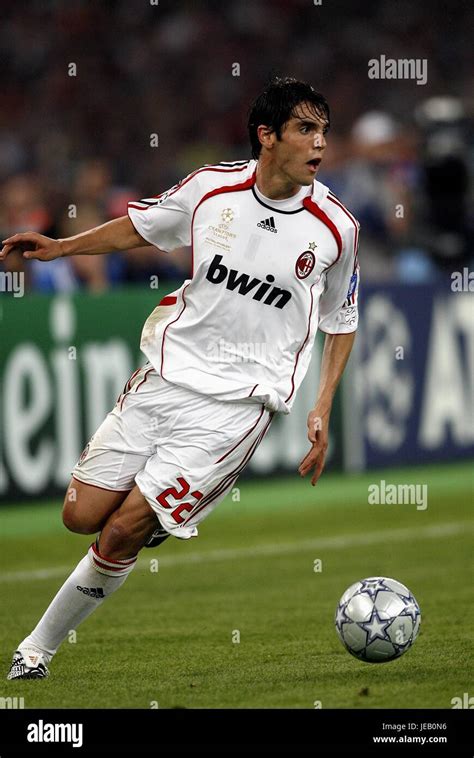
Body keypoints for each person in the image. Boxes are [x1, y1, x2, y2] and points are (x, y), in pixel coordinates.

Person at [1, 77, 360, 680]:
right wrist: (62, 249)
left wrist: (322, 401)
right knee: (81, 516)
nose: (319, 143)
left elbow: (342, 317)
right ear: (267, 136)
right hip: (165, 378)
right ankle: (160, 520)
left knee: (120, 533)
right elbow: (141, 227)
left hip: (236, 410)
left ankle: (35, 650)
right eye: (305, 129)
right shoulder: (209, 188)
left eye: (323, 130)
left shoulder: (336, 228)